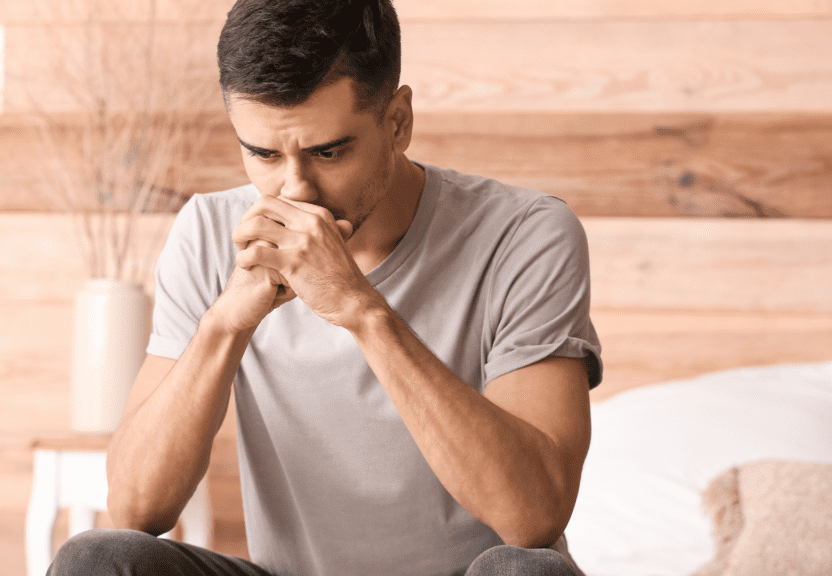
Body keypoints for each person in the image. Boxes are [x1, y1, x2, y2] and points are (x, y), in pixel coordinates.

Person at [48, 0, 601, 574]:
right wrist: (224, 323)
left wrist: (360, 309)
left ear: (398, 122)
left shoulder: (525, 235)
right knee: (99, 558)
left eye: (328, 152)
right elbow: (136, 507)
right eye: (262, 154)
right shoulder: (210, 230)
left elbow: (533, 518)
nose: (295, 190)